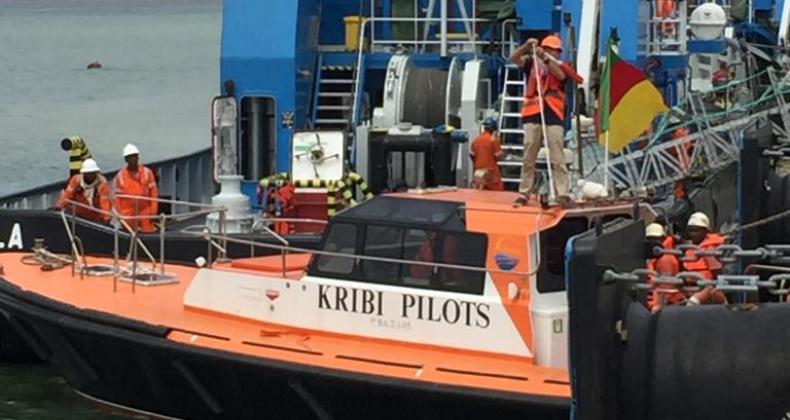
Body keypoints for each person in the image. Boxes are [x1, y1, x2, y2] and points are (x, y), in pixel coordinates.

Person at [510, 35, 571, 206]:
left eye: (555, 51)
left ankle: (562, 194)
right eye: (549, 49)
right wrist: (526, 46)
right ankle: (524, 192)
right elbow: (514, 58)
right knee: (529, 154)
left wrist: (546, 58)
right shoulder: (531, 64)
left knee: (558, 157)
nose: (553, 53)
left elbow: (560, 76)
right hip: (533, 113)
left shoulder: (562, 66)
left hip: (553, 115)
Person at [681, 212, 727, 305]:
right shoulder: (690, 248)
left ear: (705, 231)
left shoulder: (708, 249)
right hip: (690, 289)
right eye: (691, 231)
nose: (693, 234)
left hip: (707, 290)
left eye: (696, 231)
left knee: (691, 304)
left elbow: (716, 273)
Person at [113, 144, 159, 232]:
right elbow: (117, 198)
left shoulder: (147, 173)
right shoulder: (120, 176)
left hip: (145, 211)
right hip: (128, 213)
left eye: (135, 156)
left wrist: (153, 211)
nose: (133, 159)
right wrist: (121, 215)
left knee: (147, 234)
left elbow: (153, 193)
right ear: (125, 159)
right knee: (130, 236)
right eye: (130, 157)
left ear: (138, 157)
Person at [55, 158, 111, 223]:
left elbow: (104, 202)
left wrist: (106, 218)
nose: (90, 175)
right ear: (83, 173)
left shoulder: (102, 184)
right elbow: (67, 195)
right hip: (78, 215)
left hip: (95, 217)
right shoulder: (76, 180)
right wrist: (59, 206)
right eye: (88, 173)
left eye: (92, 173)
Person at [469, 118, 504, 190]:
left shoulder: (476, 140)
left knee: (478, 193)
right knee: (497, 191)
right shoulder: (493, 140)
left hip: (478, 172)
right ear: (493, 129)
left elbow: (472, 155)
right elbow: (498, 156)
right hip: (491, 172)